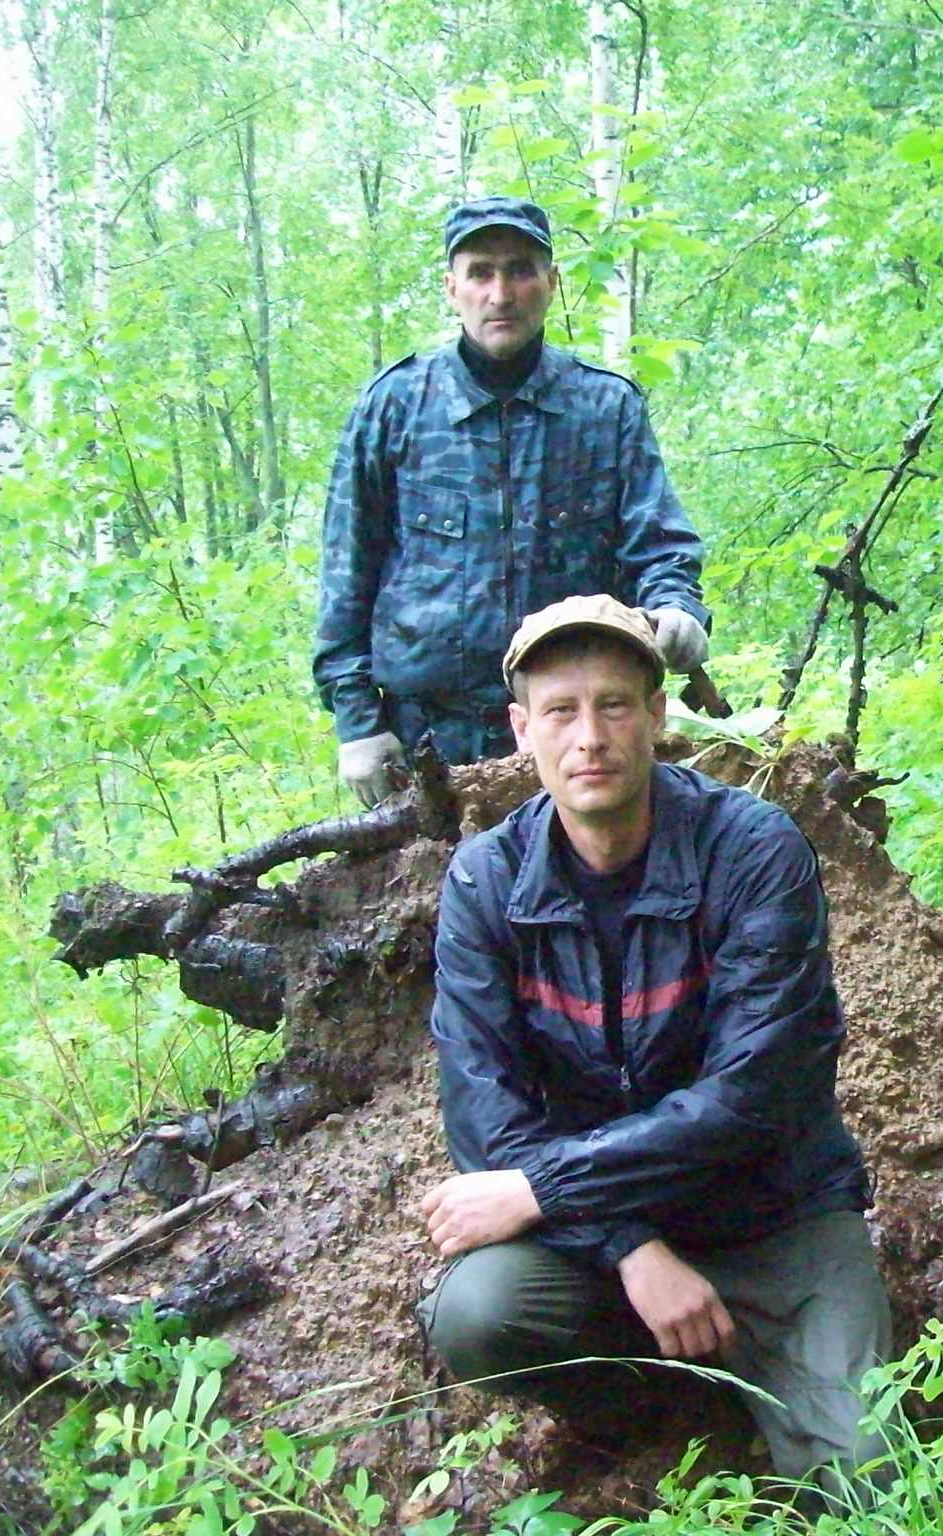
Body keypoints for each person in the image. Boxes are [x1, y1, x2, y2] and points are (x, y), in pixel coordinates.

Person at [414, 594, 893, 1496]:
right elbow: (486, 1118)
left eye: (615, 705)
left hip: (773, 1218)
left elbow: (752, 1097)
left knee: (865, 1472)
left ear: (657, 716)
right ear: (523, 730)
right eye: (561, 711)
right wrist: (632, 1244)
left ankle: (774, 1376)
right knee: (477, 1311)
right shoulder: (485, 879)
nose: (588, 736)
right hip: (604, 1249)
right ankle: (658, 1407)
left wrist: (546, 1188)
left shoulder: (752, 850)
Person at [314, 197, 710, 804]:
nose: (501, 292)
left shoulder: (603, 410)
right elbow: (347, 574)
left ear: (551, 283)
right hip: (425, 738)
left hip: (573, 734)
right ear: (452, 288)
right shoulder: (395, 407)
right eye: (480, 272)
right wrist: (357, 724)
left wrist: (676, 609)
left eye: (521, 269)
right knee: (434, 897)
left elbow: (658, 545)